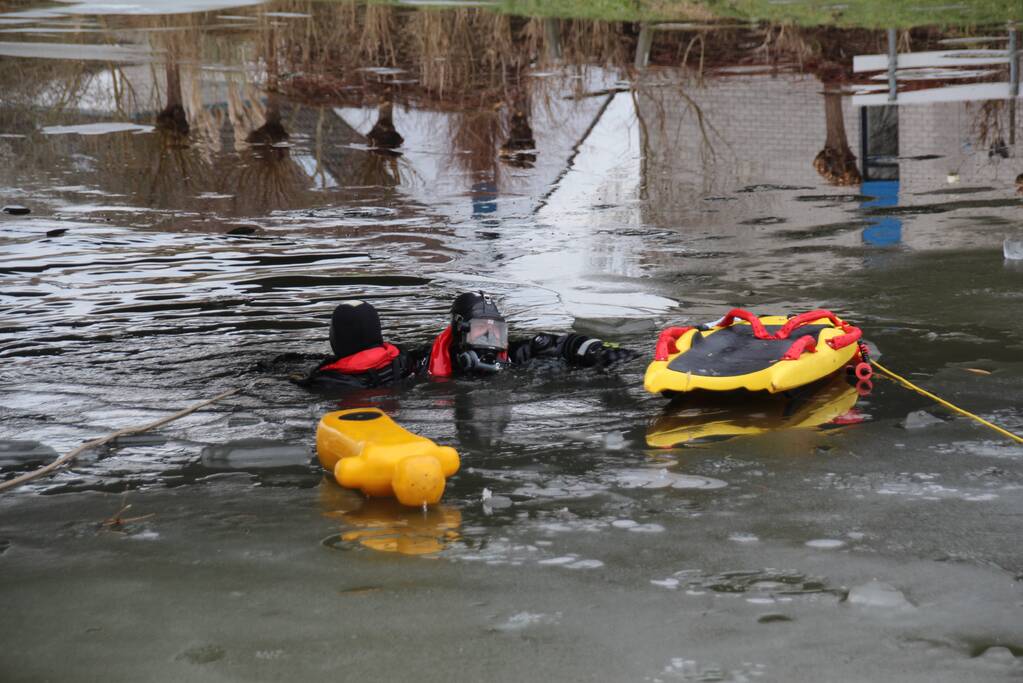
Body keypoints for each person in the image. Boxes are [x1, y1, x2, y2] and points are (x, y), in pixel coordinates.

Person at [297, 292, 636, 390]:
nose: (488, 343)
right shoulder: (418, 365)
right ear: (458, 335)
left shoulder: (511, 357)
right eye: (479, 332)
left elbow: (556, 344)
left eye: (494, 332)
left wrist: (595, 350)